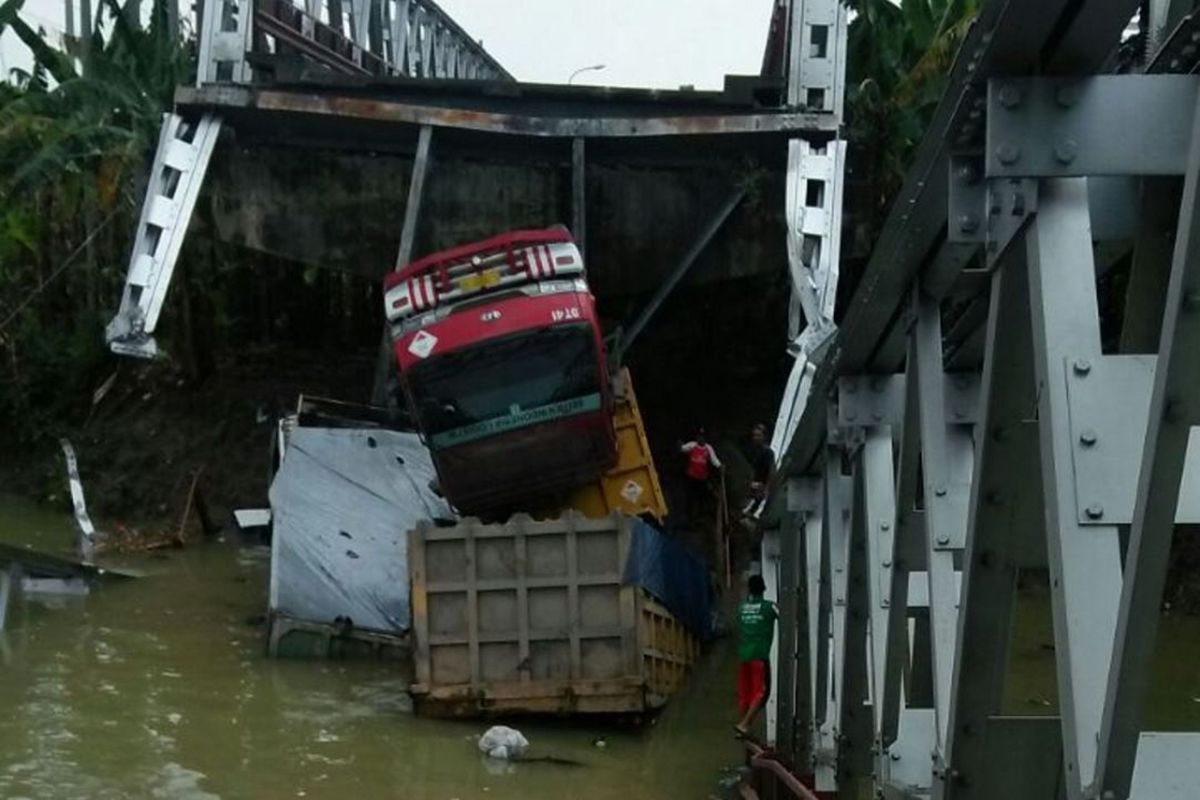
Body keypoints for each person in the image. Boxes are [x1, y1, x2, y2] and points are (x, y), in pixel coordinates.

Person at [735, 574, 777, 739]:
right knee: (762, 693)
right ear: (764, 589)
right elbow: (788, 617)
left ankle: (744, 725)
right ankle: (744, 725)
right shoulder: (770, 607)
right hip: (759, 656)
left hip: (744, 655)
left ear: (749, 590)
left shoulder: (741, 608)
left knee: (746, 693)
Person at [680, 429, 722, 526]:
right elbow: (683, 449)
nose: (701, 438)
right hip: (691, 477)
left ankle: (699, 517)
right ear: (697, 437)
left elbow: (714, 460)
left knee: (701, 498)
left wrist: (720, 466)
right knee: (690, 497)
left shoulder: (708, 448)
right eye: (699, 436)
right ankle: (689, 516)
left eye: (703, 436)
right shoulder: (692, 445)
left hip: (702, 478)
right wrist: (680, 446)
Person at [742, 423, 776, 519]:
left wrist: (767, 487)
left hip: (765, 485)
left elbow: (772, 471)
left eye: (759, 435)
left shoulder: (768, 452)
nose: (756, 438)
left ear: (764, 437)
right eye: (754, 435)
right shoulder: (753, 451)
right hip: (755, 484)